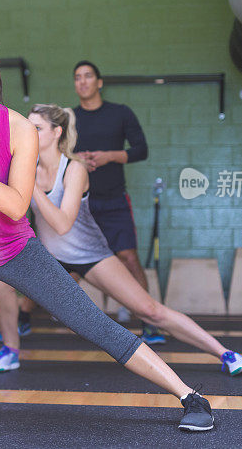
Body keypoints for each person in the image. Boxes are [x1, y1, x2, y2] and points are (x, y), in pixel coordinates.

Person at [0, 35, 215, 431]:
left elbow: (16, 205)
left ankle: (189, 396)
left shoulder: (18, 128)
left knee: (93, 324)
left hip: (15, 251)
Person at [0, 104, 242, 379]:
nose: (28, 133)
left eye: (37, 128)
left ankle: (224, 353)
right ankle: (10, 349)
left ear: (57, 132)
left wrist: (28, 184)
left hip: (89, 253)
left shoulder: (74, 169)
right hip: (48, 255)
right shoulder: (24, 166)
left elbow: (63, 224)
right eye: (27, 127)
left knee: (150, 311)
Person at [72, 61, 166, 344]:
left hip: (114, 200)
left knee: (129, 258)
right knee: (65, 266)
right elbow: (56, 155)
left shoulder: (120, 113)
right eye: (77, 78)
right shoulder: (69, 119)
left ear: (99, 82)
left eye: (88, 76)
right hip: (79, 204)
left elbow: (141, 150)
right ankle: (25, 317)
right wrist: (77, 161)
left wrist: (110, 156)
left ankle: (150, 323)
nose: (83, 82)